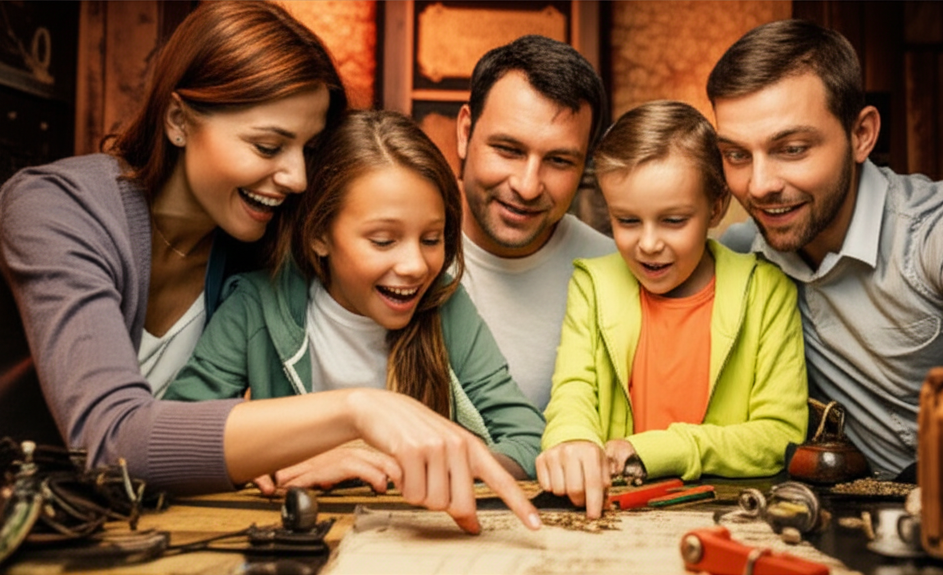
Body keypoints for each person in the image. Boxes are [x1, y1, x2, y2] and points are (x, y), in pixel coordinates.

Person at [0, 1, 540, 534]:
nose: (297, 179)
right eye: (268, 145)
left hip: (125, 529)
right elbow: (110, 439)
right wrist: (358, 412)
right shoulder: (53, 207)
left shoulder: (263, 240)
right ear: (178, 119)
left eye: (307, 149)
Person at [708, 19, 943, 479]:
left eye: (792, 149)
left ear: (862, 135)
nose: (759, 186)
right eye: (737, 155)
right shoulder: (742, 257)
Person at [165, 110, 546, 485]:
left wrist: (394, 466)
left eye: (431, 240)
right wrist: (261, 457)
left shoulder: (444, 305)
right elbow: (174, 439)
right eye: (383, 241)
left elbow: (529, 442)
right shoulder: (255, 306)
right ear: (319, 235)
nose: (415, 265)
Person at [536, 100, 808, 518]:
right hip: (612, 515)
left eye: (673, 221)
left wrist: (656, 450)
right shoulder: (594, 284)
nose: (647, 243)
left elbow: (780, 435)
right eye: (627, 221)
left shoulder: (765, 290)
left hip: (729, 515)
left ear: (715, 208)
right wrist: (573, 442)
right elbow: (572, 395)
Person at [455, 34, 616, 411]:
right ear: (465, 133)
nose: (527, 187)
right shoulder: (393, 250)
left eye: (559, 160)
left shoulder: (613, 270)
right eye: (508, 150)